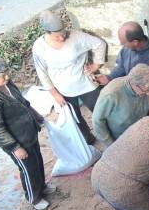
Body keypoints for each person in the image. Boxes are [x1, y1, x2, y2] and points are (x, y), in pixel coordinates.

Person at [0, 55, 56, 210]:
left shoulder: (5, 82)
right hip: (16, 140)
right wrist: (15, 147)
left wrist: (36, 116)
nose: (7, 77)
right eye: (2, 75)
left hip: (27, 131)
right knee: (28, 169)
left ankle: (42, 186)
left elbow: (22, 102)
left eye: (6, 72)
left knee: (37, 161)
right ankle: (34, 197)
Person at [32, 10, 107, 144]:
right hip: (63, 89)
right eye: (57, 37)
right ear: (47, 32)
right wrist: (54, 94)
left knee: (100, 111)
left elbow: (99, 44)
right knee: (75, 118)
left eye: (63, 34)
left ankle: (108, 134)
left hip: (85, 84)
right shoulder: (39, 47)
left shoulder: (76, 36)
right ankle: (88, 139)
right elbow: (42, 72)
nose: (62, 38)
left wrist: (96, 65)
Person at [92, 64, 149, 147]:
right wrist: (111, 145)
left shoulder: (146, 86)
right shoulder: (110, 95)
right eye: (144, 91)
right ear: (133, 84)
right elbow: (97, 122)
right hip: (121, 139)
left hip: (141, 131)